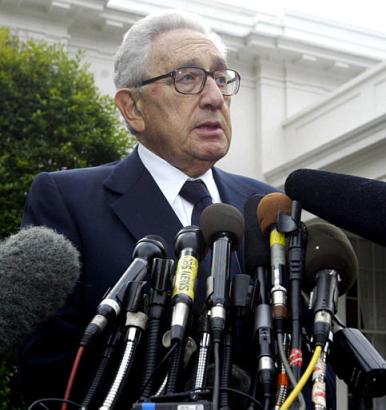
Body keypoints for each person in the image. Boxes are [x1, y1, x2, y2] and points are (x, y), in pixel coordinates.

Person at [17, 10, 334, 409]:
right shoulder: (66, 199)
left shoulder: (266, 206)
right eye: (187, 78)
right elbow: (49, 372)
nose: (215, 98)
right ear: (132, 108)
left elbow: (306, 352)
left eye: (221, 78)